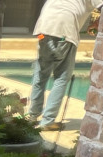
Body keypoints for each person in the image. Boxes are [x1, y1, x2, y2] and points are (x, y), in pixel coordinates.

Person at [29, 0, 99, 131]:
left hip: (43, 30)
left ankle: (33, 115)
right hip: (64, 32)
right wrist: (95, 23)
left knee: (41, 74)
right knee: (61, 77)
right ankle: (48, 121)